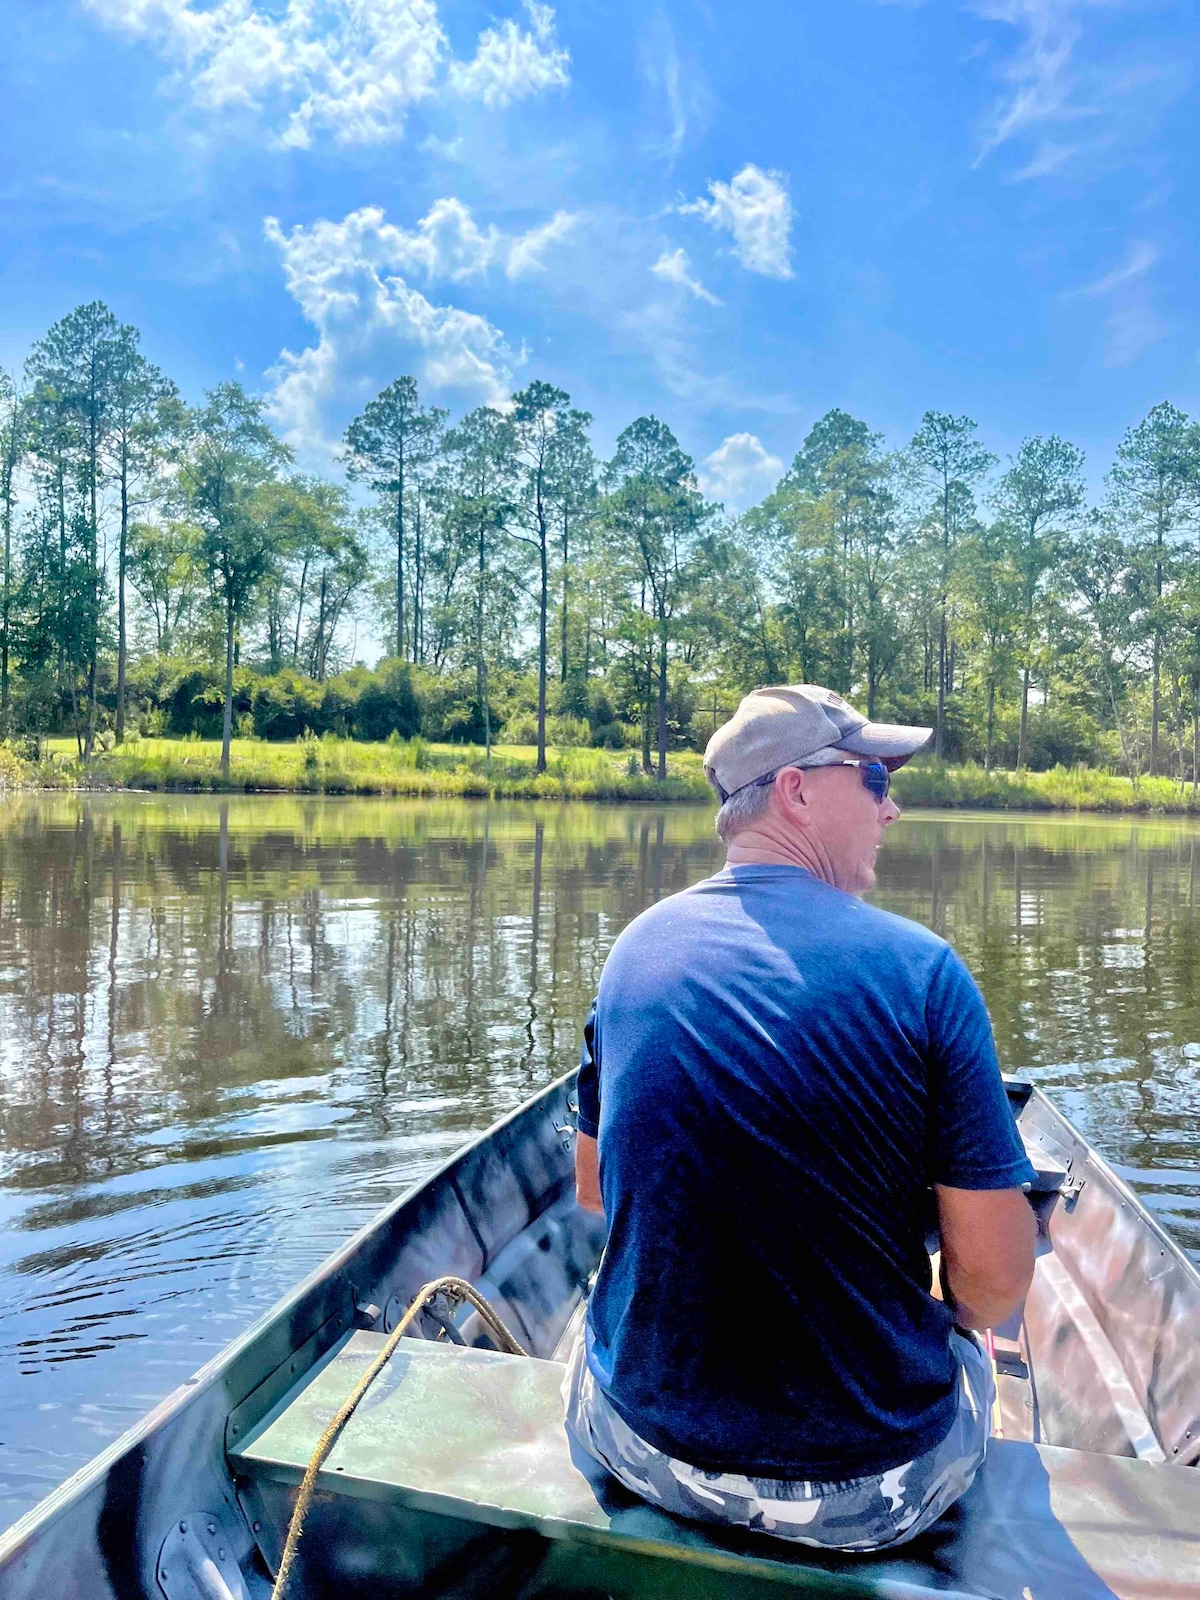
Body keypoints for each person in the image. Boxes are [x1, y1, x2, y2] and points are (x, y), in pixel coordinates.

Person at [564, 683, 1037, 1552]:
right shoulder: (925, 973)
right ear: (796, 789)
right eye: (876, 778)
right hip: (871, 1493)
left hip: (642, 1454)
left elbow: (594, 1193)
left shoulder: (633, 950)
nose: (891, 810)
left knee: (598, 1310)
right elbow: (997, 1284)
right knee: (976, 1351)